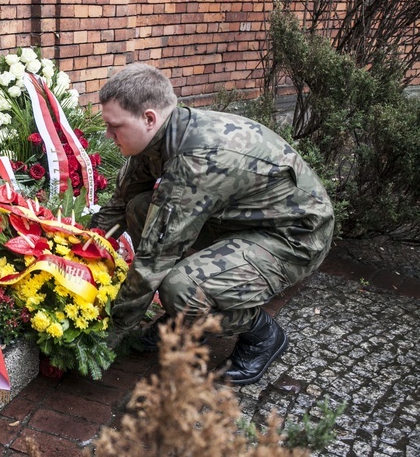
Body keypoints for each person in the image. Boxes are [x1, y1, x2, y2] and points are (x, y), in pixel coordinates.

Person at [90, 63, 334, 385]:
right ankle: (186, 318)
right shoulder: (160, 137)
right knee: (139, 208)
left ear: (149, 118)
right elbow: (121, 205)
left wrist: (104, 340)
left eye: (113, 127)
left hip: (293, 237)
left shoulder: (196, 161)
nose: (108, 136)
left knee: (181, 287)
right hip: (242, 221)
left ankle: (262, 334)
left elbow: (153, 261)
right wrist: (80, 249)